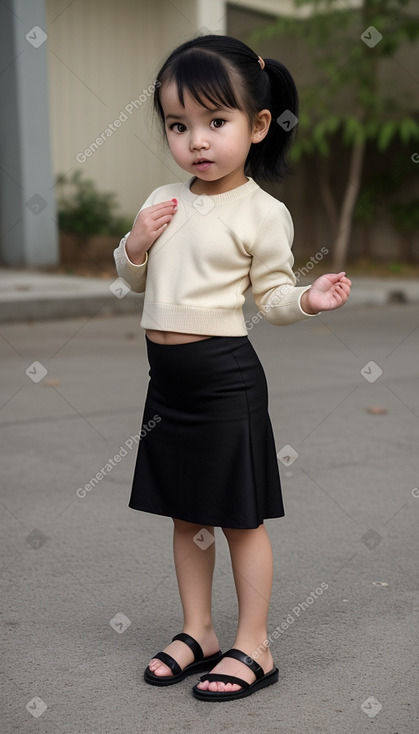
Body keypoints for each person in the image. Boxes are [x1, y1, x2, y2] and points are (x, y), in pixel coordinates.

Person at [113, 33, 351, 702]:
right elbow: (132, 281)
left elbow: (271, 299)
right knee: (185, 516)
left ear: (256, 125)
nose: (196, 140)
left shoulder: (261, 212)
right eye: (178, 124)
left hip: (223, 379)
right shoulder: (163, 198)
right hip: (168, 382)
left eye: (215, 122)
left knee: (239, 518)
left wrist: (306, 298)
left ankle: (255, 644)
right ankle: (199, 632)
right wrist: (134, 243)